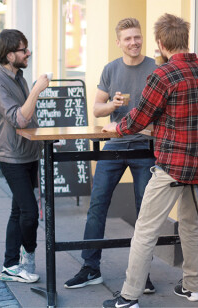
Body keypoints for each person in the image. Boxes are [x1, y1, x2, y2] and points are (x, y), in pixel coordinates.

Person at [101, 13, 198, 308]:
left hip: (174, 166)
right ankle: (193, 287)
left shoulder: (162, 74)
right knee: (191, 227)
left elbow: (137, 119)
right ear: (185, 39)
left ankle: (129, 296)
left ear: (160, 43)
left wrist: (114, 128)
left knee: (145, 229)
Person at [64, 18, 157, 293]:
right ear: (119, 42)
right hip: (115, 144)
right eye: (127, 38)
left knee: (145, 212)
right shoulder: (110, 69)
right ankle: (90, 267)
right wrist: (112, 105)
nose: (134, 42)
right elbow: (96, 109)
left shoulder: (155, 68)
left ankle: (142, 275)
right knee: (97, 206)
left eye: (137, 37)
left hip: (145, 147)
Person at [0, 29, 50, 283]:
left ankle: (11, 265)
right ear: (10, 55)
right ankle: (26, 257)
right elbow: (19, 118)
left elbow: (28, 117)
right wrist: (36, 91)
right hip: (11, 157)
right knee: (30, 213)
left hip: (29, 153)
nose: (28, 53)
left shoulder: (18, 77)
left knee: (18, 211)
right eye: (24, 49)